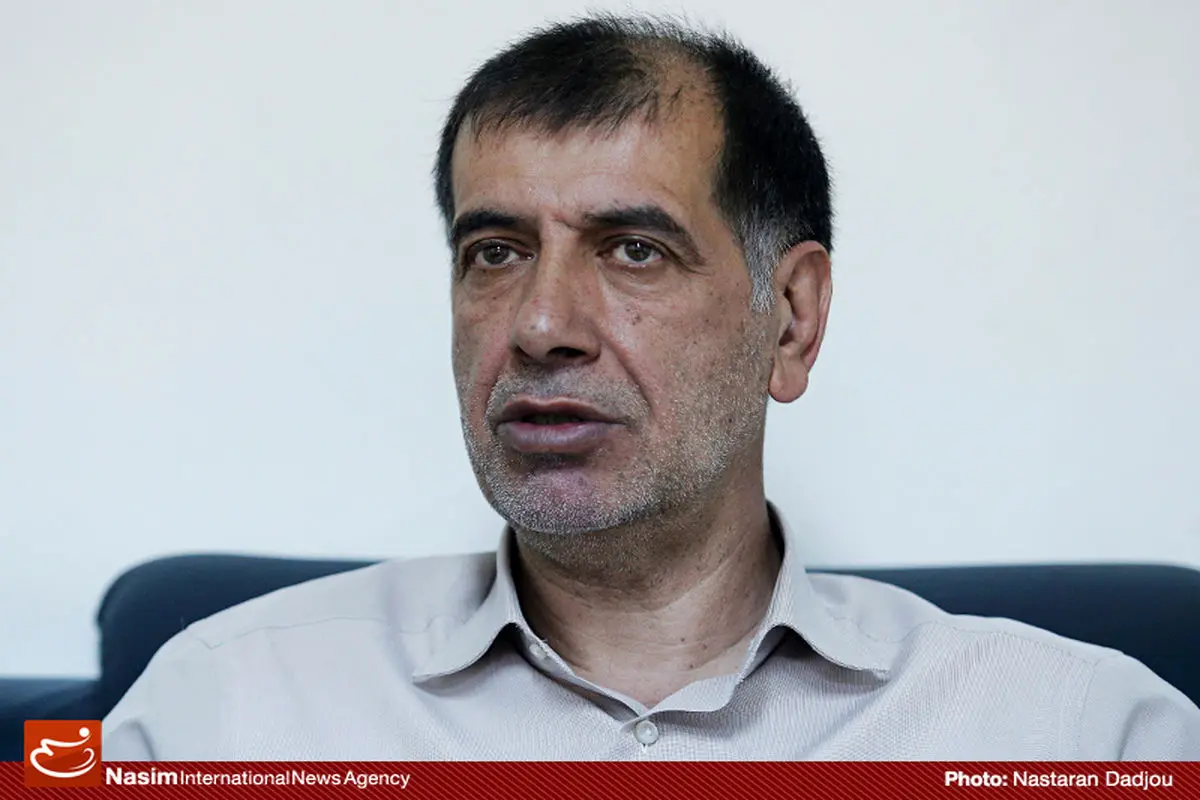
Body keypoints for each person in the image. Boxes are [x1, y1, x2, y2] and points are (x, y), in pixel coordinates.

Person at [103, 14, 1200, 760]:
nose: (541, 325)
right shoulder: (219, 710)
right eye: (495, 252)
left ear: (791, 319)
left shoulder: (1083, 734)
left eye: (634, 250)